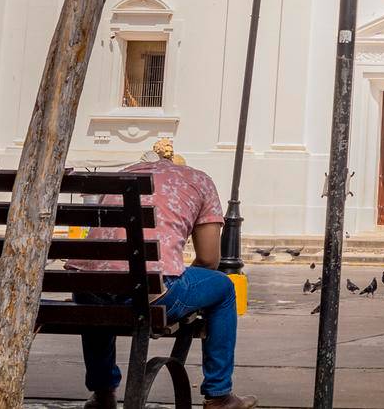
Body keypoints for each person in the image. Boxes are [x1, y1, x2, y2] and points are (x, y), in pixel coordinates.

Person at [71, 138, 256, 409]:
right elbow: (208, 258)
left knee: (102, 283)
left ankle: (103, 393)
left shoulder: (124, 174)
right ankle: (219, 395)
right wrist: (182, 283)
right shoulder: (200, 181)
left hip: (89, 289)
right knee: (224, 289)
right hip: (152, 292)